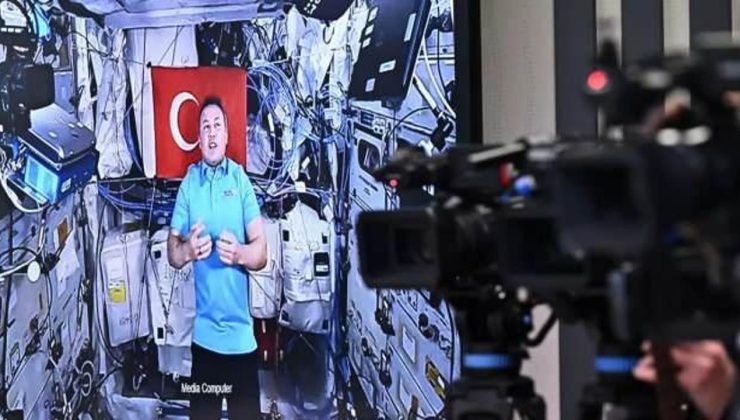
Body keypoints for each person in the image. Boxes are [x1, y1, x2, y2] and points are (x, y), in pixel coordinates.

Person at [167, 96, 268, 419]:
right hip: (204, 342)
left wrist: (240, 253)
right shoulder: (189, 185)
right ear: (199, 139)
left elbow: (261, 253)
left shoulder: (240, 180)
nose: (211, 132)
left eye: (217, 125)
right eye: (205, 127)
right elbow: (173, 253)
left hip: (241, 342)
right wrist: (187, 250)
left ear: (226, 135)